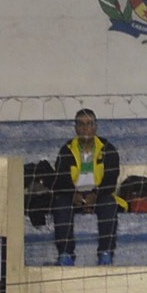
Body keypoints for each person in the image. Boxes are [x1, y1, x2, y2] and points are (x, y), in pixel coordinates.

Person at [53, 108, 122, 268]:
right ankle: (66, 254)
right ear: (76, 128)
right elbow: (61, 178)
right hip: (74, 195)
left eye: (89, 124)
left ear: (95, 127)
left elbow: (111, 178)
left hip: (99, 194)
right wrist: (72, 194)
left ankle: (106, 253)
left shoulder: (107, 149)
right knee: (61, 206)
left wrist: (95, 194)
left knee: (109, 205)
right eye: (81, 124)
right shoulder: (67, 149)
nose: (85, 128)